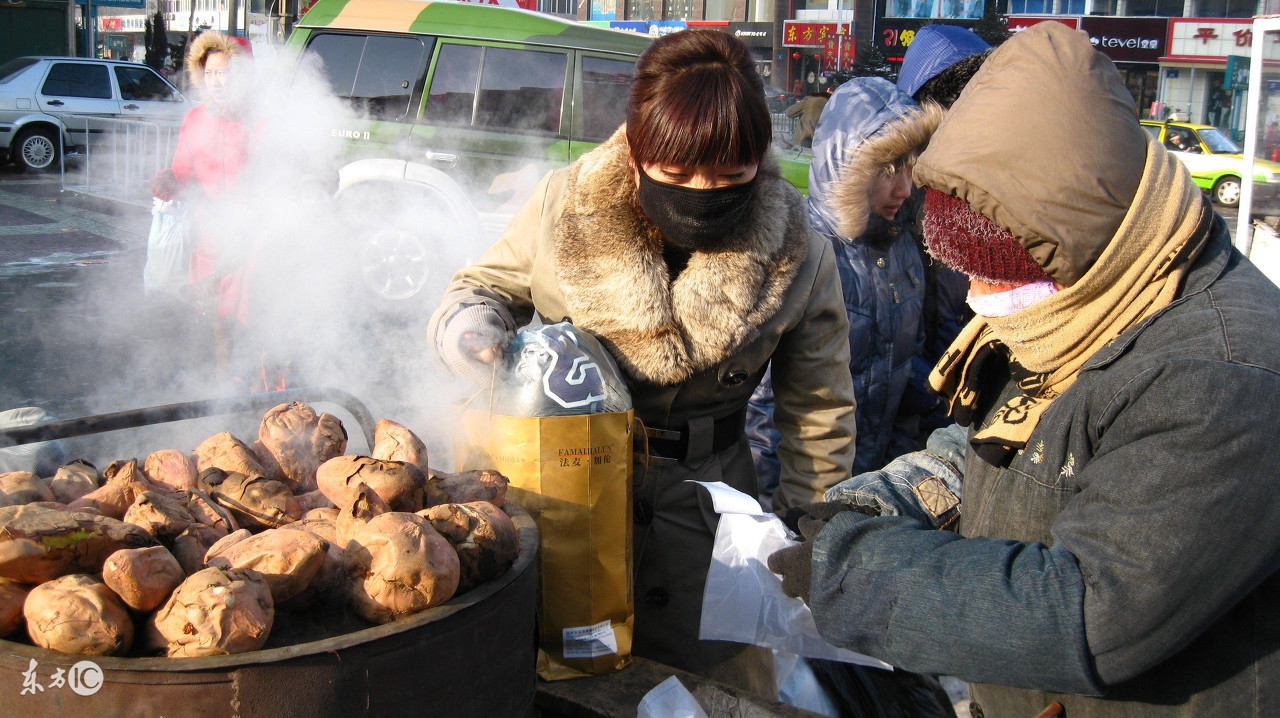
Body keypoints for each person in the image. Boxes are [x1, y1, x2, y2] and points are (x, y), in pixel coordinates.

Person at [769, 21, 1280, 716]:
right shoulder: (1096, 298)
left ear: (1066, 259)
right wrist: (881, 499)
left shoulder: (1222, 375)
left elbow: (1088, 610)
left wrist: (859, 572)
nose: (986, 308)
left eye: (1003, 288)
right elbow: (1003, 442)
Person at [429, 29, 856, 698]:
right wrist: (472, 333)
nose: (702, 192)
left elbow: (819, 408)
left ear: (758, 158)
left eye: (729, 175)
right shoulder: (566, 207)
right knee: (565, 681)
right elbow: (479, 290)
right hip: (565, 494)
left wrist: (812, 529)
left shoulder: (797, 250)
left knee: (719, 689)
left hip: (710, 512)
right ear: (636, 152)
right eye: (678, 174)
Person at [149, 32, 256, 384]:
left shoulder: (261, 119)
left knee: (251, 315)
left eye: (223, 73)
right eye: (209, 74)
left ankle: (260, 386)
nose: (216, 81)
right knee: (216, 316)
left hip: (254, 236)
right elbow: (184, 170)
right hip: (210, 236)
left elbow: (285, 168)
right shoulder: (196, 118)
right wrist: (170, 181)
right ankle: (224, 386)